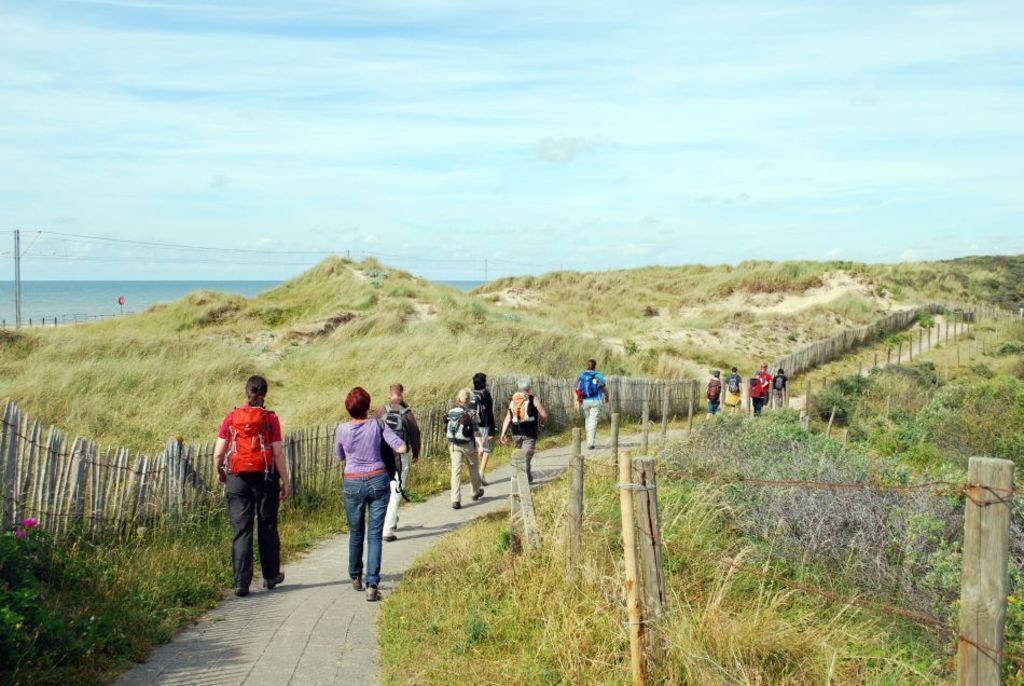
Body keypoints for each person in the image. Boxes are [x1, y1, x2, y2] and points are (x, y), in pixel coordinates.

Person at [214, 375, 291, 598]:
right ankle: (270, 575)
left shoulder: (231, 417)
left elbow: (219, 452)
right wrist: (285, 480)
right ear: (265, 394)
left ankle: (241, 581)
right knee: (267, 526)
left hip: (237, 478)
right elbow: (277, 452)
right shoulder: (270, 418)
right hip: (265, 477)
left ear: (246, 392)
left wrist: (220, 471)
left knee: (241, 529)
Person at [335, 386, 408, 601]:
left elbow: (339, 456)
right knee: (374, 534)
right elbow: (401, 447)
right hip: (378, 479)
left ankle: (355, 575)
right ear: (368, 407)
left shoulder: (342, 429)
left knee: (356, 532)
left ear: (349, 409)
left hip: (352, 483)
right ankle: (372, 584)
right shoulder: (378, 425)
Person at [374, 383, 422, 542]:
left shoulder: (381, 411)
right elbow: (415, 433)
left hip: (382, 455)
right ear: (402, 393)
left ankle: (391, 521)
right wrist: (416, 452)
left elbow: (373, 431)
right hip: (401, 455)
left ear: (390, 394)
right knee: (396, 490)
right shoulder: (406, 412)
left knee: (386, 489)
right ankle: (387, 529)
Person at [499, 379, 549, 484]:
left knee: (520, 456)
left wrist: (503, 434)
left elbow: (508, 418)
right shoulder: (533, 399)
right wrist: (541, 424)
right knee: (526, 458)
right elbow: (544, 415)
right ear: (529, 388)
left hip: (516, 433)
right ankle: (523, 481)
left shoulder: (513, 401)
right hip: (530, 433)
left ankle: (525, 477)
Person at [447, 388, 485, 509]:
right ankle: (475, 492)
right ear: (468, 399)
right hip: (468, 445)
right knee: (473, 468)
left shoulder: (451, 412)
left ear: (458, 399)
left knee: (456, 472)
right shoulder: (471, 413)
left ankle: (455, 499)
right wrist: (480, 445)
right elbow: (476, 431)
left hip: (454, 445)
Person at [574, 359, 609, 449]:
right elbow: (604, 388)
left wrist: (577, 401)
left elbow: (576, 388)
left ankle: (588, 440)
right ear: (595, 366)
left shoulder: (582, 375)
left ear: (587, 365)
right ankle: (590, 443)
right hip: (595, 401)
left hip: (585, 401)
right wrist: (607, 397)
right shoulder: (598, 375)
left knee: (587, 420)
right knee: (593, 422)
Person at [469, 373, 496, 485]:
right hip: (483, 424)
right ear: (484, 382)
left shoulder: (470, 393)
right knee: (486, 449)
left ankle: (475, 473)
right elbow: (490, 413)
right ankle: (481, 473)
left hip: (472, 425)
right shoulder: (485, 394)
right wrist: (492, 430)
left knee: (476, 449)